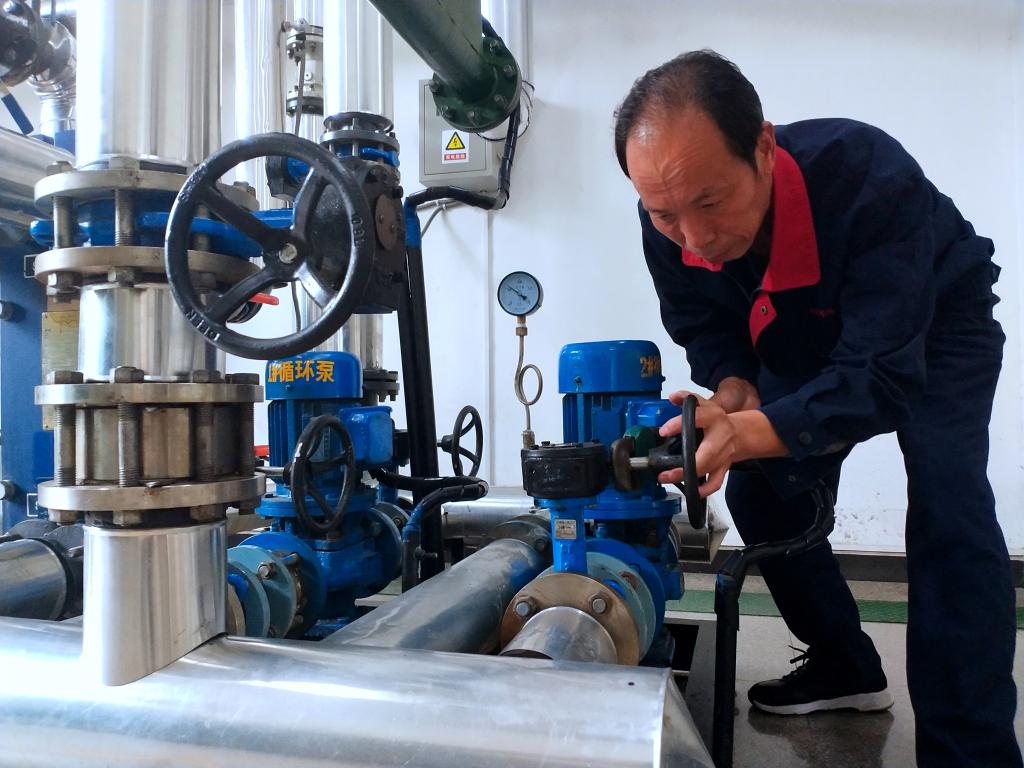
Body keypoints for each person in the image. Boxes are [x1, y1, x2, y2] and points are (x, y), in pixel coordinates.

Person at [614, 49, 1020, 767]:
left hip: (937, 325)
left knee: (948, 506)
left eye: (710, 203)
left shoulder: (869, 178)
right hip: (800, 329)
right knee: (762, 492)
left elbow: (881, 377)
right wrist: (733, 392)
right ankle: (844, 666)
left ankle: (971, 750)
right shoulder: (669, 217)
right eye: (665, 214)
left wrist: (749, 429)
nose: (696, 241)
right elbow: (704, 323)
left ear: (764, 148)